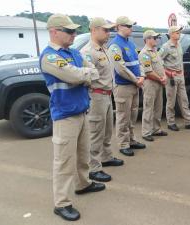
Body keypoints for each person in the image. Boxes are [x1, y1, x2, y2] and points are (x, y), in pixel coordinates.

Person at [40, 14, 105, 221]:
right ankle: (61, 203)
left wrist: (82, 75)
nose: (73, 34)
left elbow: (93, 72)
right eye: (68, 31)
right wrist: (83, 75)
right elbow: (75, 76)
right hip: (65, 116)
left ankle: (83, 184)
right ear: (54, 32)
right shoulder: (50, 56)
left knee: (83, 155)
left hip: (81, 111)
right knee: (64, 162)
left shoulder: (75, 53)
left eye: (74, 31)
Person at [80, 17, 124, 183]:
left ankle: (106, 157)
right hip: (96, 95)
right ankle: (94, 168)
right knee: (95, 133)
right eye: (105, 30)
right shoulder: (88, 52)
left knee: (107, 131)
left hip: (106, 95)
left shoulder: (104, 49)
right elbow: (87, 76)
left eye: (109, 30)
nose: (109, 33)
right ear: (94, 30)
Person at [107, 16, 146, 156]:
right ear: (119, 27)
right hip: (123, 86)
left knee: (133, 114)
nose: (131, 28)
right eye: (128, 26)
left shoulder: (130, 43)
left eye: (131, 26)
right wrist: (136, 80)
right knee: (123, 116)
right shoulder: (115, 45)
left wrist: (142, 76)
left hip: (135, 84)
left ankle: (131, 139)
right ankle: (123, 144)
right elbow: (120, 68)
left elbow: (138, 61)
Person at [159, 26, 190, 131]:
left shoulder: (179, 45)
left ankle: (189, 121)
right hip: (171, 77)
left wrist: (181, 73)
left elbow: (180, 60)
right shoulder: (166, 46)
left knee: (184, 100)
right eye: (177, 32)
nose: (179, 34)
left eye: (179, 32)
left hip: (180, 76)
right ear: (172, 34)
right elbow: (158, 62)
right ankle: (171, 122)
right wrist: (168, 72)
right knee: (171, 101)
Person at [139, 30, 168, 142]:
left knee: (158, 107)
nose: (156, 40)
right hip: (150, 83)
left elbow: (161, 66)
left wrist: (164, 76)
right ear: (148, 39)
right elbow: (148, 72)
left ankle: (156, 129)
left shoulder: (155, 51)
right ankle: (146, 132)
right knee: (149, 108)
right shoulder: (144, 53)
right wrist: (161, 79)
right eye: (154, 38)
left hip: (159, 82)